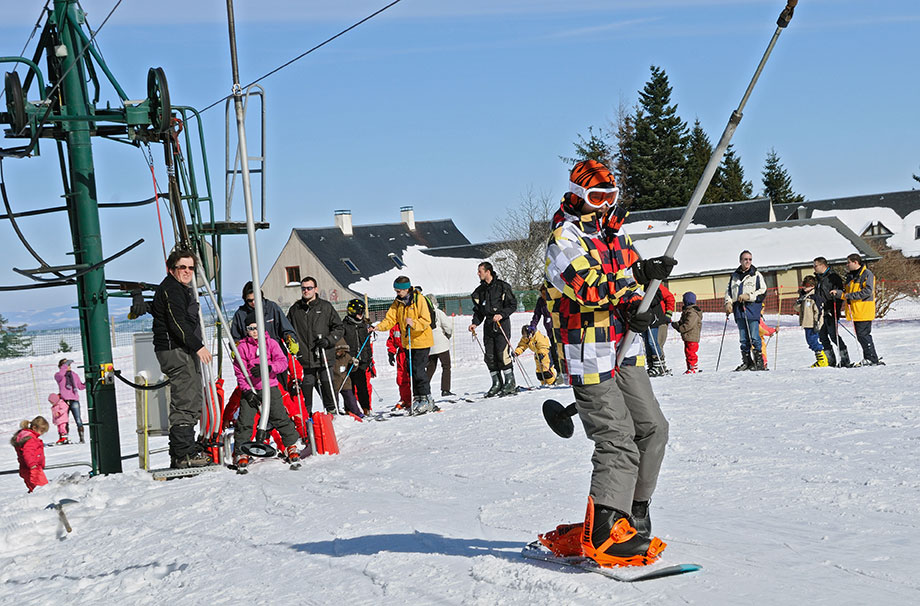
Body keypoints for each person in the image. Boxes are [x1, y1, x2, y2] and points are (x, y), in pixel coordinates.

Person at [538, 159, 671, 567]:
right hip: (589, 352)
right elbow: (588, 287)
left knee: (652, 429)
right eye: (596, 197)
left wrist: (647, 297)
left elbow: (629, 285)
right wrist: (631, 281)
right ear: (578, 198)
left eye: (610, 197)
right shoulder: (563, 239)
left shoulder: (616, 236)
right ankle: (605, 531)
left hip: (624, 347)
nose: (604, 205)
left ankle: (634, 516)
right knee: (616, 438)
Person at [151, 248, 213, 469]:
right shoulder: (172, 290)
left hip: (181, 349)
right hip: (175, 349)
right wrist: (198, 346)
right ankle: (183, 453)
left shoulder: (179, 289)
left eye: (190, 268)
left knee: (193, 395)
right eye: (182, 267)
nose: (187, 271)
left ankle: (185, 448)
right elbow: (177, 323)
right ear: (171, 269)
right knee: (186, 398)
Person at [232, 311, 302, 469]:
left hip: (270, 387)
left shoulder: (270, 344)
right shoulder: (242, 347)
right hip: (251, 390)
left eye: (257, 328)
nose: (254, 331)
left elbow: (282, 362)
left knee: (279, 416)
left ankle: (290, 445)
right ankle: (242, 451)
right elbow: (239, 372)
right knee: (245, 421)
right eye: (251, 328)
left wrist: (268, 368)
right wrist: (247, 390)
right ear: (246, 330)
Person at [375, 276, 436, 414]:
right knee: (412, 372)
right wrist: (378, 327)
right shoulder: (398, 302)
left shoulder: (418, 299)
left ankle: (427, 398)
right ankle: (418, 397)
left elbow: (426, 320)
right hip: (408, 343)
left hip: (421, 340)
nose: (397, 293)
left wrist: (413, 323)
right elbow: (390, 319)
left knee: (419, 371)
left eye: (398, 291)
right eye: (396, 291)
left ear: (406, 289)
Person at [287, 276, 344, 413]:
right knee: (306, 386)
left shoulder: (325, 307)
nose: (306, 291)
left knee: (327, 384)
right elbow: (287, 330)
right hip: (304, 357)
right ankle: (306, 416)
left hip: (323, 355)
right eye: (303, 288)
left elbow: (339, 328)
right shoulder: (295, 310)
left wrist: (328, 340)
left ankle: (332, 410)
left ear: (315, 289)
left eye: (309, 288)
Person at [469, 262, 518, 397]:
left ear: (488, 271)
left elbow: (513, 305)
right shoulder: (480, 291)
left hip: (502, 324)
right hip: (488, 325)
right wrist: (475, 323)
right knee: (489, 356)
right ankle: (497, 383)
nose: (478, 274)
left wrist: (502, 314)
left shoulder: (502, 287)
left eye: (480, 271)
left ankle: (510, 383)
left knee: (502, 354)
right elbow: (479, 311)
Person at [830, 253, 883, 366]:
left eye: (848, 262)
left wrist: (848, 296)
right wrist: (839, 293)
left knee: (863, 335)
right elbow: (847, 292)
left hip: (864, 309)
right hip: (855, 311)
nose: (847, 265)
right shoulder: (850, 276)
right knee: (861, 335)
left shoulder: (867, 274)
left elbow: (867, 291)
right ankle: (869, 357)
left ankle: (872, 358)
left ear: (855, 262)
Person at [724, 250, 768, 371]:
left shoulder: (756, 275)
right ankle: (747, 362)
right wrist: (728, 302)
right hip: (739, 310)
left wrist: (749, 296)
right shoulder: (734, 276)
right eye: (745, 259)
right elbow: (729, 291)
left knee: (754, 336)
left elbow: (763, 291)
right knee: (743, 338)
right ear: (740, 261)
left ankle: (759, 362)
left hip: (751, 309)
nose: (748, 261)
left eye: (750, 259)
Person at [813, 256, 851, 367]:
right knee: (823, 336)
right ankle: (830, 360)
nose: (814, 268)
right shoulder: (818, 278)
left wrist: (835, 309)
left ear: (822, 265)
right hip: (820, 312)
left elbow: (839, 294)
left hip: (830, 310)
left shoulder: (833, 277)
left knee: (833, 336)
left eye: (815, 265)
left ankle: (845, 359)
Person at [342, 298, 374, 414]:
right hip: (350, 361)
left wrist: (369, 359)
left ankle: (366, 408)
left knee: (362, 386)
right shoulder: (345, 325)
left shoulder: (364, 325)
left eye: (362, 311)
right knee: (349, 386)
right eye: (358, 311)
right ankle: (349, 409)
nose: (360, 314)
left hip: (362, 360)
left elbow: (367, 344)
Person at [793, 276, 828, 367]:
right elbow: (797, 308)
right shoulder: (805, 297)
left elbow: (819, 311)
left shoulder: (814, 297)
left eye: (807, 285)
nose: (804, 287)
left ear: (812, 286)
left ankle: (822, 359)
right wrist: (799, 302)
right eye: (803, 285)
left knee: (812, 341)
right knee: (810, 341)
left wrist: (818, 323)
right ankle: (820, 358)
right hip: (806, 323)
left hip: (812, 323)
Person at [529, 285, 562, 377]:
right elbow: (537, 315)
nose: (543, 296)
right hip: (550, 330)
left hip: (560, 329)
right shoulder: (541, 301)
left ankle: (565, 370)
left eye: (545, 294)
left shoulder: (556, 298)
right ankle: (559, 371)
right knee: (554, 351)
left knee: (560, 350)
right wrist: (532, 326)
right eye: (542, 294)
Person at [425, 296, 455, 397]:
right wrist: (448, 335)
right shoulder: (438, 312)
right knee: (446, 366)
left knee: (430, 367)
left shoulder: (423, 313)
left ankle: (424, 389)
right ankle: (445, 389)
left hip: (429, 343)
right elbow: (448, 326)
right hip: (441, 343)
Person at [11, 416, 50, 492]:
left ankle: (32, 501)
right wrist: (32, 465)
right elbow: (27, 453)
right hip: (33, 469)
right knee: (42, 489)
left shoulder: (26, 437)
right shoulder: (30, 439)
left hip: (27, 467)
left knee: (34, 489)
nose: (42, 433)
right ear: (34, 428)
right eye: (41, 431)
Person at [53, 359, 85, 443]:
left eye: (69, 364)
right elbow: (60, 374)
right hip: (64, 402)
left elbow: (80, 386)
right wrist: (65, 365)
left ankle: (81, 438)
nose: (68, 366)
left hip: (74, 400)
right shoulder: (59, 376)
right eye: (65, 365)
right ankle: (64, 438)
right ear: (61, 366)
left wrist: (87, 383)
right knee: (63, 421)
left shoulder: (74, 375)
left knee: (78, 419)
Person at [331, 337, 364, 417]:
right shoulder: (331, 358)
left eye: (341, 351)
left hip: (345, 381)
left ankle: (356, 412)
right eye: (337, 351)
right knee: (334, 399)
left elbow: (351, 369)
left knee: (350, 398)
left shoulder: (347, 357)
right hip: (335, 381)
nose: (339, 353)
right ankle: (335, 412)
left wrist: (354, 364)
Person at [673, 291, 702, 374]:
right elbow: (683, 321)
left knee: (691, 353)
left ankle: (694, 367)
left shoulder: (692, 313)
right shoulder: (687, 311)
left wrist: (680, 328)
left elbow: (688, 325)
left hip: (692, 336)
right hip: (688, 336)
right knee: (688, 352)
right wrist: (677, 324)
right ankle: (690, 367)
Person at [386, 325, 412, 409]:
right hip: (401, 355)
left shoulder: (411, 322)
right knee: (401, 378)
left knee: (414, 377)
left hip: (412, 352)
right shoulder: (395, 326)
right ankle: (405, 399)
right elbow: (392, 340)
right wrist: (391, 353)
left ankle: (417, 398)